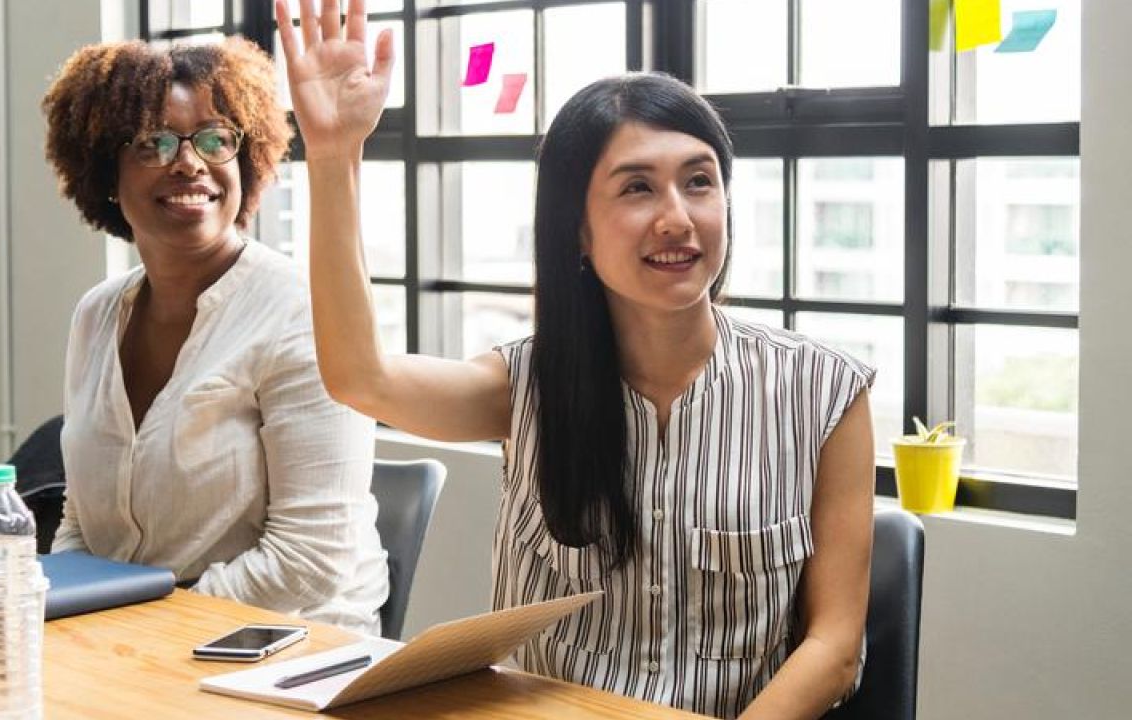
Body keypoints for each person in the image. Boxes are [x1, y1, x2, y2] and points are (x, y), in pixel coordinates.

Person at [275, 0, 876, 717]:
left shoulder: (823, 391)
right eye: (637, 188)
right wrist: (333, 156)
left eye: (699, 181)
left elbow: (835, 647)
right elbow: (360, 377)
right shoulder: (525, 385)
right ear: (579, 232)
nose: (678, 218)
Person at [40, 36, 388, 635]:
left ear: (245, 161)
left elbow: (310, 561)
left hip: (289, 644)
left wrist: (144, 628)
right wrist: (69, 611)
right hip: (136, 640)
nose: (189, 163)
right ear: (104, 172)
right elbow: (82, 520)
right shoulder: (96, 315)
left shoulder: (303, 311)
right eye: (153, 143)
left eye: (215, 139)